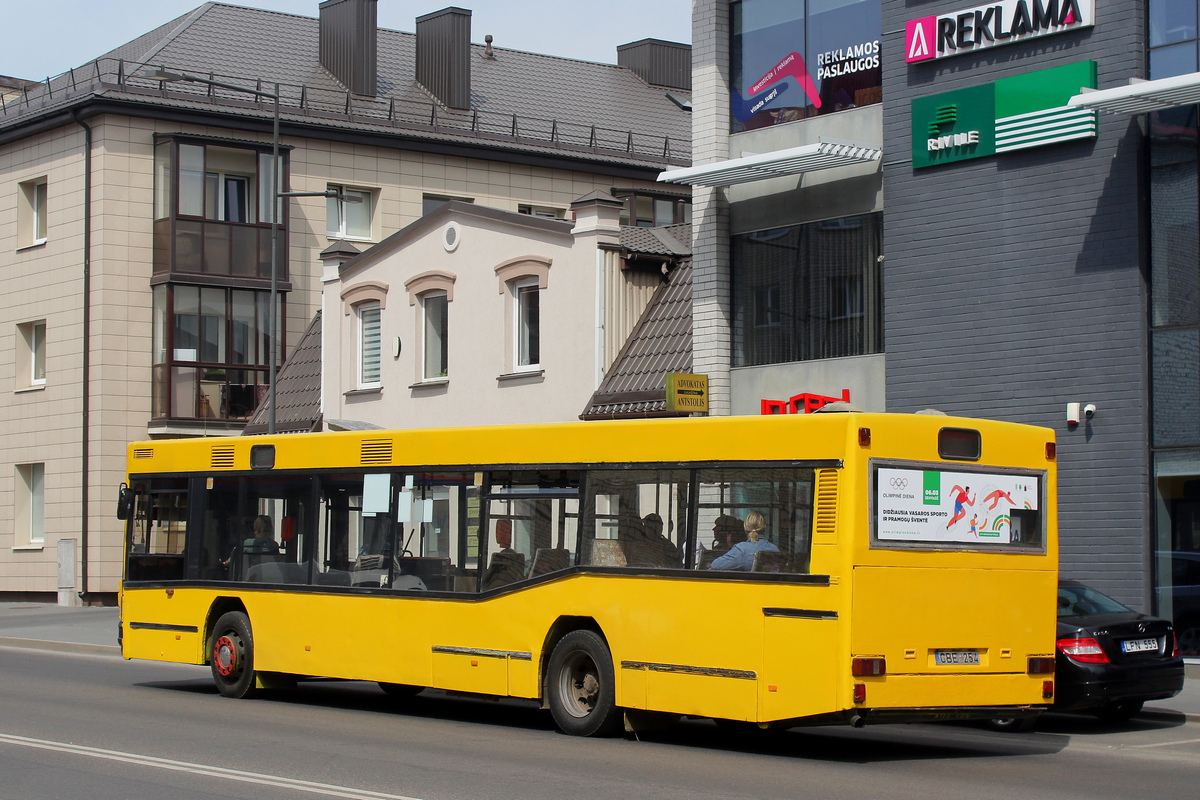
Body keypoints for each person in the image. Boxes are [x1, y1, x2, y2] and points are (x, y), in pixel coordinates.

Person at [709, 511, 778, 571]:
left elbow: (716, 565)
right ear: (764, 528)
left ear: (745, 529)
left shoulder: (742, 549)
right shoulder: (774, 549)